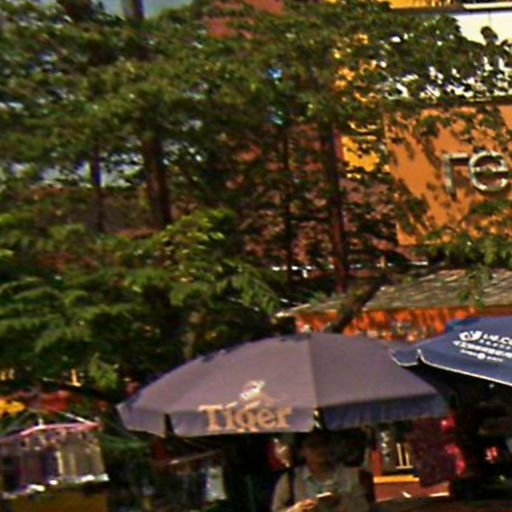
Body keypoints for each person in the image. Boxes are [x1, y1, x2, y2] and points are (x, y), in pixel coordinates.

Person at [271, 432, 370, 512]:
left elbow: (363, 507)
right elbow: (277, 509)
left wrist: (341, 501)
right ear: (301, 451)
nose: (319, 450)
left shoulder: (349, 474)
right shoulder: (291, 478)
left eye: (323, 444)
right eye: (312, 446)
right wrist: (296, 510)